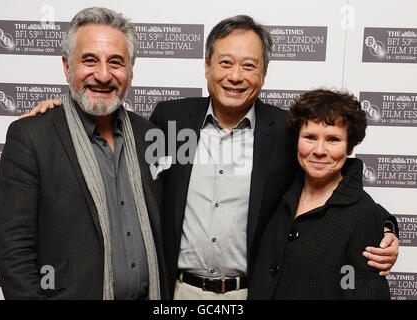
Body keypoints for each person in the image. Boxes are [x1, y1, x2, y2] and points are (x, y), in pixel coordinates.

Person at [23, 15, 399, 300]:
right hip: (178, 291)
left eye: (249, 66)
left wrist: (384, 227)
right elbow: (109, 145)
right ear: (206, 66)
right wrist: (60, 112)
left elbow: (335, 173)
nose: (235, 76)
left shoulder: (286, 131)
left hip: (250, 292)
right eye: (224, 63)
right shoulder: (170, 120)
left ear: (264, 73)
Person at [0, 7, 168, 300]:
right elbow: (13, 254)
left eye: (116, 62)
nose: (102, 75)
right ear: (66, 66)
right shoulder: (32, 137)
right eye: (89, 60)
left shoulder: (151, 137)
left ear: (130, 73)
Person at [248, 89, 392, 299]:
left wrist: (387, 228)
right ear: (296, 140)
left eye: (333, 139)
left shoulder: (363, 213)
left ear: (349, 147)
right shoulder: (278, 189)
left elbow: (363, 292)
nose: (319, 150)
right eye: (310, 137)